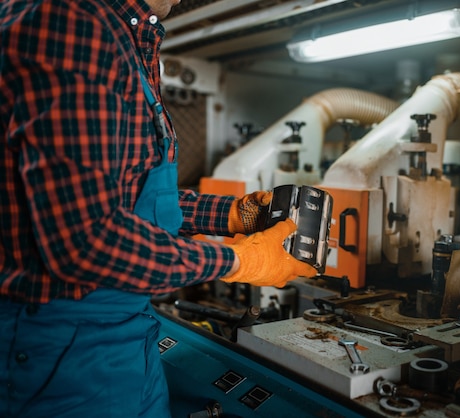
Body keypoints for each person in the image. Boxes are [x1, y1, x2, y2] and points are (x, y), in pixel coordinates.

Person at [0, 0, 317, 417]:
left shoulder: (121, 34)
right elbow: (86, 242)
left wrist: (229, 215)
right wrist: (238, 260)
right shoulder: (71, 20)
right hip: (66, 353)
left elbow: (124, 193)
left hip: (118, 335)